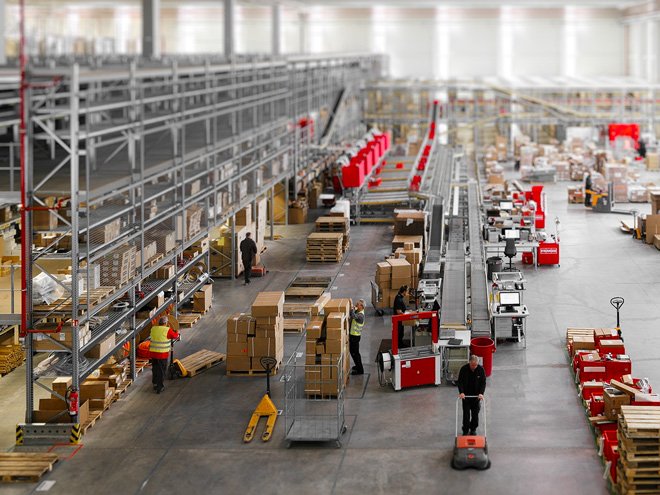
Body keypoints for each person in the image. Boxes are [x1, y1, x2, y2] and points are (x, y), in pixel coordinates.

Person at [457, 355, 487, 436]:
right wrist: (461, 392)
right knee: (466, 416)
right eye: (472, 365)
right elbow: (460, 382)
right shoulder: (464, 369)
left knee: (475, 415)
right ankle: (465, 430)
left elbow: (483, 383)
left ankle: (473, 429)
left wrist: (481, 393)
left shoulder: (480, 370)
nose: (474, 367)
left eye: (476, 365)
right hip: (466, 397)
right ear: (469, 362)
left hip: (476, 397)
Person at [149, 316, 180, 394]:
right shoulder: (167, 330)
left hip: (153, 353)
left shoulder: (153, 329)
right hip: (162, 354)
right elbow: (175, 336)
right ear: (166, 323)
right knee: (161, 370)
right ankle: (160, 387)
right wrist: (177, 332)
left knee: (155, 369)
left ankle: (155, 384)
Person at [348, 299, 366, 375]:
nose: (356, 305)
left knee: (355, 353)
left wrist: (352, 308)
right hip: (354, 336)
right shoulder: (358, 312)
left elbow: (353, 316)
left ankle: (360, 370)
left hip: (355, 337)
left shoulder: (360, 315)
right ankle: (358, 366)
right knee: (354, 353)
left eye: (358, 304)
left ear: (361, 306)